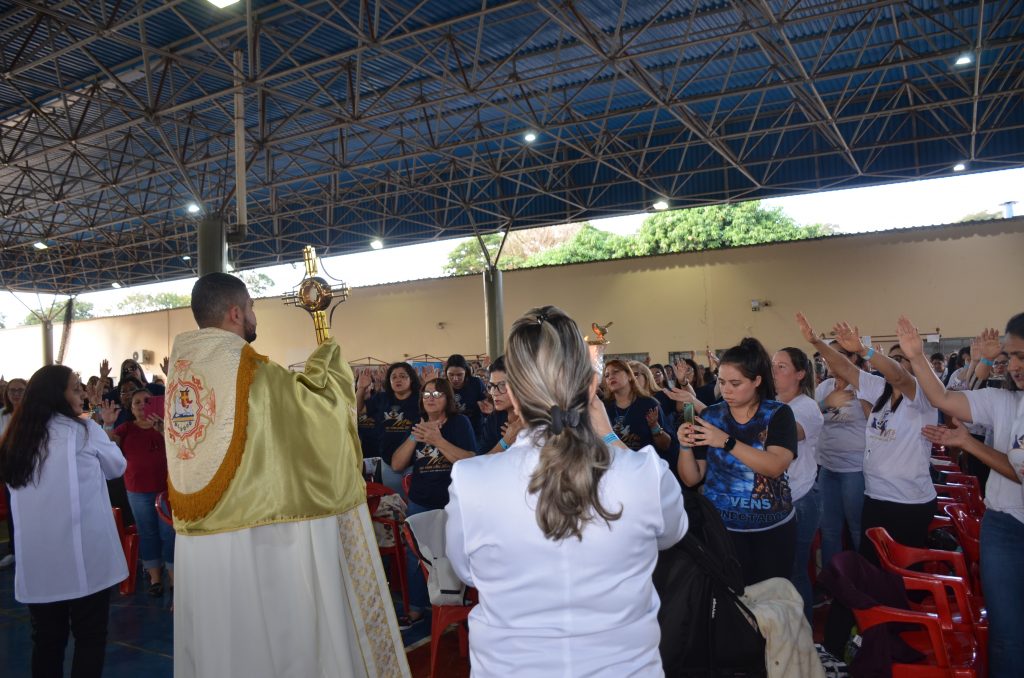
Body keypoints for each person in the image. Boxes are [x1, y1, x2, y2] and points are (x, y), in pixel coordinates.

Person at [165, 272, 409, 678]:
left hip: (199, 542)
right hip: (254, 538)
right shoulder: (250, 372)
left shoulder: (182, 374)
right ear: (235, 312)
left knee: (223, 647)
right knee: (268, 640)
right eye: (253, 309)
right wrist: (328, 362)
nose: (255, 317)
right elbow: (316, 415)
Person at [445, 305, 687, 677]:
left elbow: (469, 572)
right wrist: (609, 437)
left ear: (511, 393)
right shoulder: (644, 473)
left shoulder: (470, 480)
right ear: (592, 387)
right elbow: (671, 534)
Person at [894, 315, 1024, 678]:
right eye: (1009, 356)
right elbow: (944, 398)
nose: (1013, 366)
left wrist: (969, 444)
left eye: (1022, 357)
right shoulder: (1004, 401)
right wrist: (918, 357)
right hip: (1005, 525)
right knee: (1006, 636)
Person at [0, 365, 128, 678]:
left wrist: (98, 415)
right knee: (89, 637)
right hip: (83, 556)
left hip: (39, 560)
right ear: (59, 395)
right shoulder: (84, 431)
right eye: (76, 388)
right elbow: (117, 467)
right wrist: (101, 422)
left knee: (46, 641)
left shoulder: (14, 436)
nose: (82, 393)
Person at [796, 314, 938, 562]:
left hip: (907, 500)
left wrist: (865, 350)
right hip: (876, 495)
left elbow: (899, 377)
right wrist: (817, 343)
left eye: (900, 358)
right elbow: (845, 368)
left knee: (902, 577)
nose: (894, 364)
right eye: (893, 358)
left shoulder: (921, 396)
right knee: (873, 568)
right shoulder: (879, 389)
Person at [676, 338, 798, 586]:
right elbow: (692, 477)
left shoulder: (777, 414)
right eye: (721, 382)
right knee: (730, 607)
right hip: (722, 532)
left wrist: (726, 442)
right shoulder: (711, 415)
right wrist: (684, 445)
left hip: (771, 530)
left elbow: (774, 466)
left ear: (757, 381)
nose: (726, 390)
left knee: (772, 605)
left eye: (735, 383)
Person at [391, 377, 477, 625]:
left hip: (451, 502)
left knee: (452, 553)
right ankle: (417, 606)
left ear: (448, 398)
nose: (430, 398)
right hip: (420, 500)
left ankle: (455, 602)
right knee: (416, 556)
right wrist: (416, 437)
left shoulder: (459, 423)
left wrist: (437, 440)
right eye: (426, 394)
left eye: (437, 394)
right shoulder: (418, 426)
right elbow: (397, 465)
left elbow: (470, 461)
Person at [101, 390, 175, 597]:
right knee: (148, 533)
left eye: (148, 401)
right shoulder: (126, 428)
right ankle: (155, 578)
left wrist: (164, 431)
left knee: (169, 535)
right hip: (138, 491)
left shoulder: (167, 427)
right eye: (137, 402)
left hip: (167, 491)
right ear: (131, 409)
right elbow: (108, 446)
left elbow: (182, 450)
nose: (143, 405)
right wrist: (107, 424)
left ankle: (174, 577)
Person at [772, 347, 823, 623]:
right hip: (776, 499)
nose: (774, 371)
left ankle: (805, 637)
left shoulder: (807, 407)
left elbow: (782, 436)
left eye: (781, 366)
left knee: (795, 571)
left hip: (800, 498)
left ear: (799, 374)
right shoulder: (773, 403)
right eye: (773, 365)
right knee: (778, 572)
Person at [814, 348, 870, 569]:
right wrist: (825, 403)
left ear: (853, 359)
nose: (828, 361)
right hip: (827, 467)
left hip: (855, 469)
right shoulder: (823, 388)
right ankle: (833, 582)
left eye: (834, 356)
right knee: (829, 529)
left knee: (857, 528)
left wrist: (860, 393)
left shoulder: (866, 387)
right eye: (826, 357)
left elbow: (877, 422)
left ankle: (862, 581)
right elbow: (810, 419)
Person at [363, 362, 421, 494]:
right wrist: (361, 389)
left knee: (415, 499)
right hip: (388, 461)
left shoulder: (421, 400)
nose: (397, 379)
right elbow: (357, 410)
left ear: (411, 379)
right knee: (395, 501)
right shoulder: (382, 398)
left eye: (402, 376)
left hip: (416, 461)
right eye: (393, 377)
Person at [603, 359, 673, 459]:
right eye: (607, 375)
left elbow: (666, 445)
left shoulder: (648, 404)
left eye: (616, 371)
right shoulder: (604, 407)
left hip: (645, 465)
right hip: (615, 467)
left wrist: (654, 427)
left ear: (630, 376)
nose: (611, 377)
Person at [0, 377, 27, 570]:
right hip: (10, 468)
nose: (16, 394)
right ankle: (15, 551)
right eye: (12, 391)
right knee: (13, 509)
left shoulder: (33, 414)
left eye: (20, 390)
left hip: (31, 468)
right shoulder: (2, 414)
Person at [478, 356, 525, 454]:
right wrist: (505, 442)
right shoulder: (495, 419)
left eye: (502, 385)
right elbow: (482, 462)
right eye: (492, 386)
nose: (494, 392)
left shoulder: (537, 419)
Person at [445, 354, 488, 439]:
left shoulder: (476, 383)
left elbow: (486, 406)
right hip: (451, 431)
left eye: (459, 375)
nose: (455, 378)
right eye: (451, 374)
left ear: (466, 372)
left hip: (476, 431)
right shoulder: (443, 385)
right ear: (446, 373)